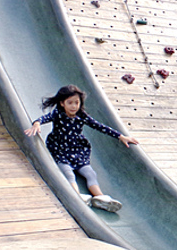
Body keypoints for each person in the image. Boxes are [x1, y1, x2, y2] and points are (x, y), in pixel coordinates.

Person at [24, 85, 138, 213]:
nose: (74, 106)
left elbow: (99, 126)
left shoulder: (81, 116)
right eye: (70, 103)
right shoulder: (58, 114)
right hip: (60, 150)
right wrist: (37, 123)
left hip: (77, 150)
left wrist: (120, 136)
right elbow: (43, 118)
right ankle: (77, 195)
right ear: (62, 103)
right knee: (68, 173)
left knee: (90, 173)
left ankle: (100, 197)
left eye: (76, 103)